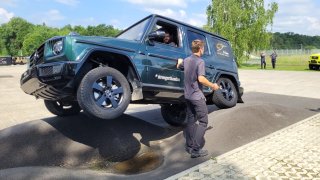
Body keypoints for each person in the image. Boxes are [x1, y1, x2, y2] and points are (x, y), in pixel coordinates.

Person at [176, 39, 220, 158]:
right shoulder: (200, 62)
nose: (203, 50)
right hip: (196, 96)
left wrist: (179, 62)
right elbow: (201, 79)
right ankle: (195, 150)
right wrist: (213, 85)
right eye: (203, 48)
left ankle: (189, 146)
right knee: (203, 121)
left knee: (191, 120)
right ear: (201, 49)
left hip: (188, 96)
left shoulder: (186, 60)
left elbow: (179, 66)